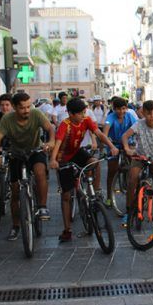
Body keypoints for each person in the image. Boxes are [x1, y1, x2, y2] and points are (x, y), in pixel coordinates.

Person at [50, 98, 119, 242]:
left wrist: (111, 146)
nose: (83, 115)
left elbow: (99, 134)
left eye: (84, 112)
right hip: (63, 158)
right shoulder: (65, 124)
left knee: (94, 162)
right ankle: (67, 230)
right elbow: (57, 143)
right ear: (71, 114)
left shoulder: (86, 120)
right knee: (66, 196)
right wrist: (53, 159)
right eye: (80, 113)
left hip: (77, 152)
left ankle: (94, 192)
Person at [0, 92, 55, 241]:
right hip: (16, 154)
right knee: (15, 192)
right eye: (22, 108)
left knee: (40, 172)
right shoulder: (7, 119)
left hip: (35, 150)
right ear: (14, 107)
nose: (26, 110)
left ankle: (42, 207)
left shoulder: (36, 114)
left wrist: (51, 141)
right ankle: (15, 226)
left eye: (28, 106)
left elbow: (50, 129)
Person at [122, 100, 153, 227]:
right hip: (140, 157)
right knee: (132, 179)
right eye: (149, 114)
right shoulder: (138, 124)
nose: (152, 116)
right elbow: (125, 136)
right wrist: (127, 149)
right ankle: (128, 211)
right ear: (143, 113)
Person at [103, 97, 138, 214]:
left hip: (128, 143)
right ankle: (109, 197)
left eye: (123, 108)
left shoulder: (130, 116)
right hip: (114, 145)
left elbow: (138, 128)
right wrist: (110, 145)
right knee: (112, 171)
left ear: (126, 108)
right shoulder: (110, 117)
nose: (121, 111)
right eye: (118, 109)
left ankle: (134, 191)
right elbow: (105, 133)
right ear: (114, 109)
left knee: (134, 167)